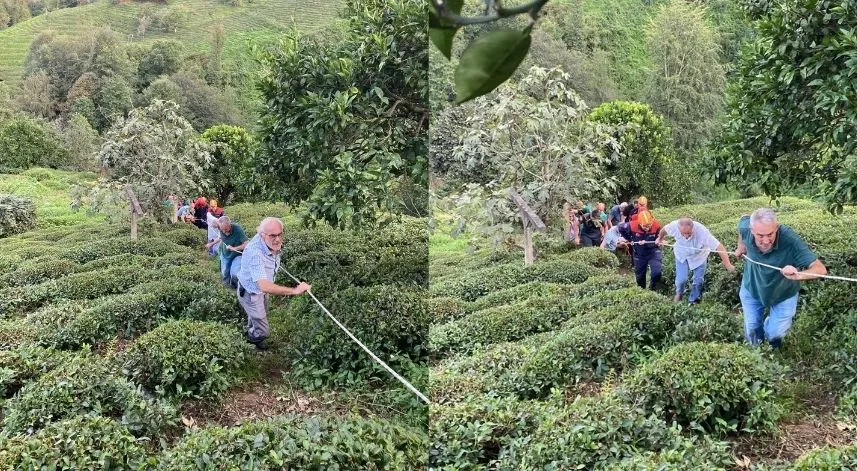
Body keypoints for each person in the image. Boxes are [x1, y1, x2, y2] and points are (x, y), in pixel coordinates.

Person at [734, 208, 827, 348]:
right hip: (752, 287)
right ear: (752, 230)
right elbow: (742, 222)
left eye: (770, 234)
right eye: (760, 235)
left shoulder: (790, 240)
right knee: (752, 329)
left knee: (775, 334)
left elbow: (820, 269)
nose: (766, 241)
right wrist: (741, 246)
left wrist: (798, 275)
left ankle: (773, 348)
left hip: (784, 293)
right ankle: (754, 356)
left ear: (776, 228)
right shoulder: (746, 228)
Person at [236, 217, 311, 350]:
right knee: (263, 329)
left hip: (261, 290)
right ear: (263, 235)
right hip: (251, 292)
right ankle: (252, 341)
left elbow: (259, 229)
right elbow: (264, 286)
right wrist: (294, 291)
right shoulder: (255, 253)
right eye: (272, 235)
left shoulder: (264, 237)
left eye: (279, 234)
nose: (277, 239)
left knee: (259, 316)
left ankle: (252, 331)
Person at [656, 217, 736, 304]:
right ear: (678, 228)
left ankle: (693, 299)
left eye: (689, 233)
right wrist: (660, 238)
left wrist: (728, 265)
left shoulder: (702, 232)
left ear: (693, 228)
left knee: (698, 281)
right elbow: (664, 230)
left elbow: (719, 247)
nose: (686, 236)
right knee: (681, 280)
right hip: (682, 254)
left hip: (699, 256)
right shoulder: (674, 226)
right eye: (683, 234)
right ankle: (679, 293)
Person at [618, 210, 663, 290]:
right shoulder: (632, 225)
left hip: (653, 251)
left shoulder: (656, 225)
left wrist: (659, 241)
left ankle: (652, 288)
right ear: (639, 223)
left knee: (657, 273)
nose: (647, 228)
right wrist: (629, 239)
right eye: (645, 226)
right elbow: (620, 228)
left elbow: (660, 236)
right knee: (640, 276)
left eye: (649, 226)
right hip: (639, 253)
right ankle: (642, 291)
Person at [209, 216, 249, 288]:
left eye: (226, 229)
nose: (224, 231)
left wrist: (234, 248)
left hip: (236, 255)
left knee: (234, 273)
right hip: (225, 254)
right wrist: (211, 244)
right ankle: (226, 288)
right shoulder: (221, 227)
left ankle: (236, 288)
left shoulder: (237, 229)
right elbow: (220, 237)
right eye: (222, 230)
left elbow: (246, 244)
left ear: (230, 224)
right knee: (225, 273)